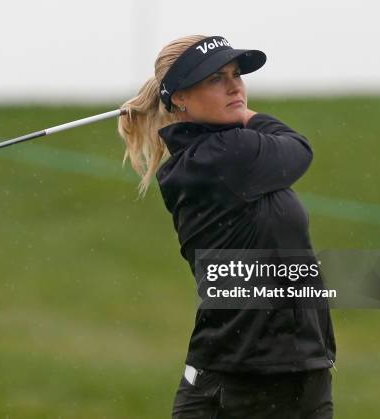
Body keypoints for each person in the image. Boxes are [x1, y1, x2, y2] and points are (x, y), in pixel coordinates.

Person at [117, 35, 336, 418]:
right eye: (216, 78)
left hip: (301, 375)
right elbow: (297, 148)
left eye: (236, 75)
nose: (236, 86)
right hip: (238, 386)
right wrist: (248, 114)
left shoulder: (229, 154)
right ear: (180, 97)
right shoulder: (217, 158)